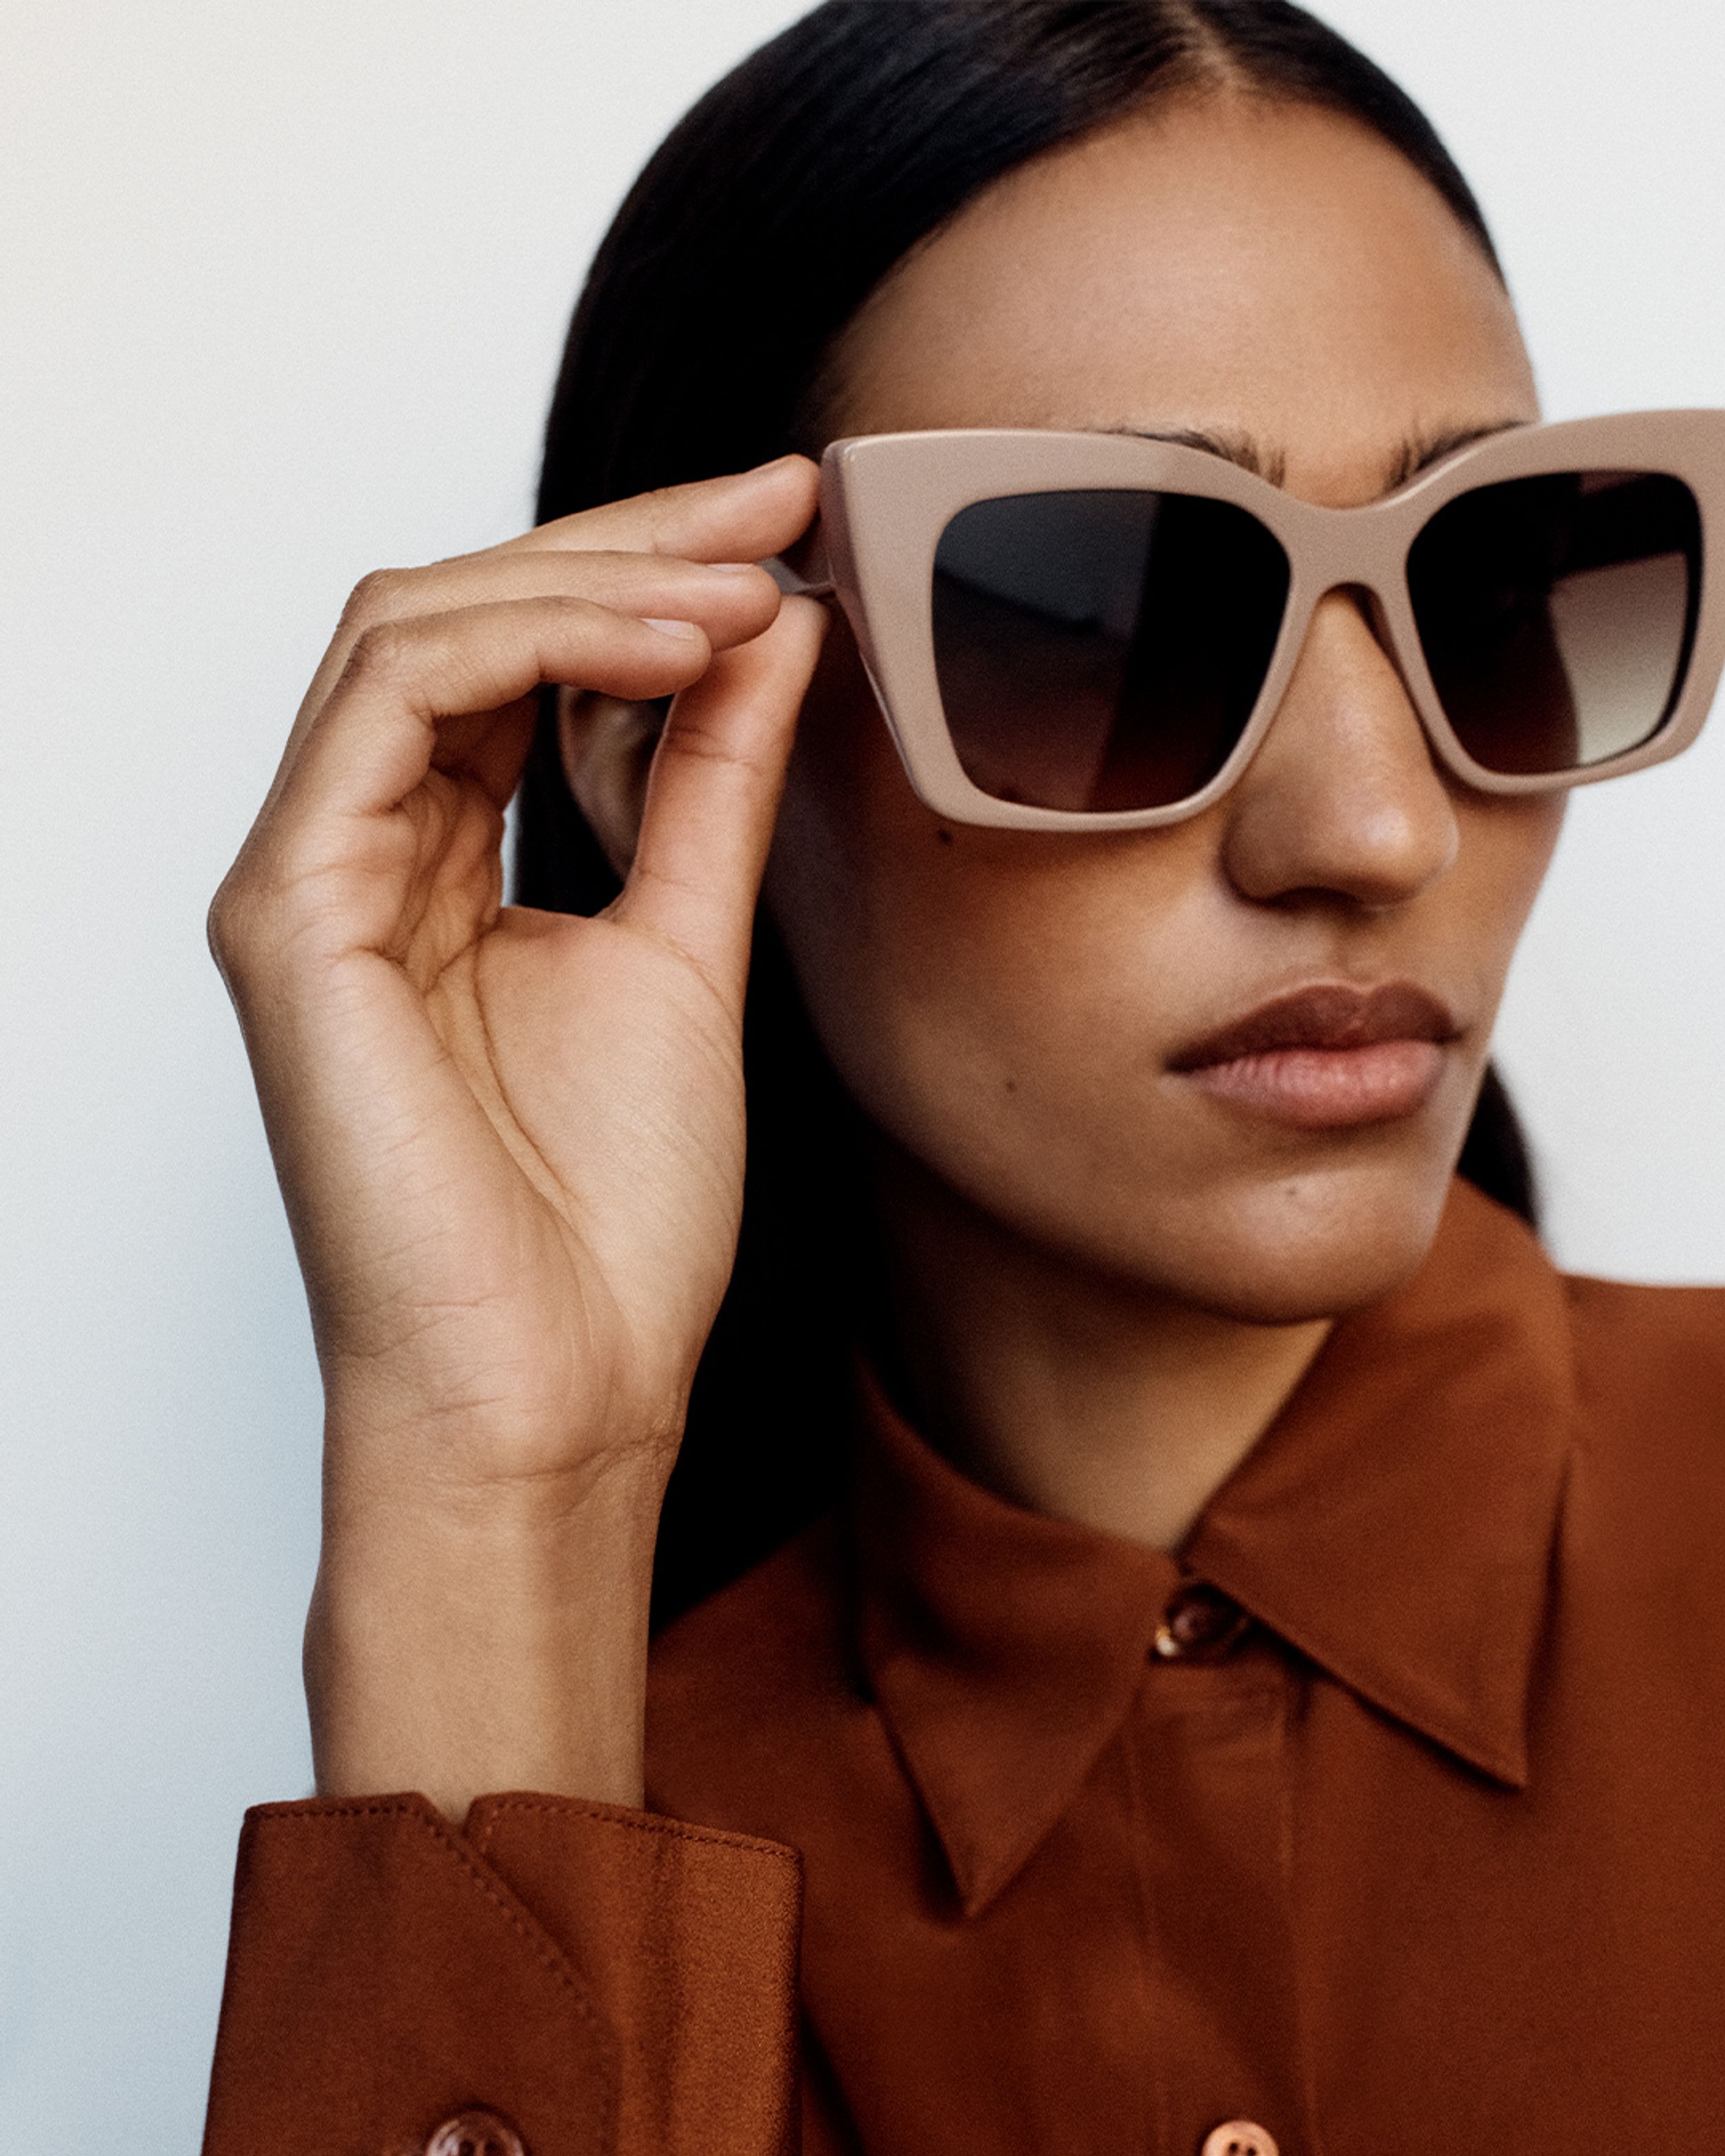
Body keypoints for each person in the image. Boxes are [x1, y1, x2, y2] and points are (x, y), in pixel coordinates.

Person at [199, 4, 1725, 2152]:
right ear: (672, 738)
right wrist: (492, 1502)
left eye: (1489, 581)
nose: (1371, 828)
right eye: (1099, 615)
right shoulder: (565, 1842)